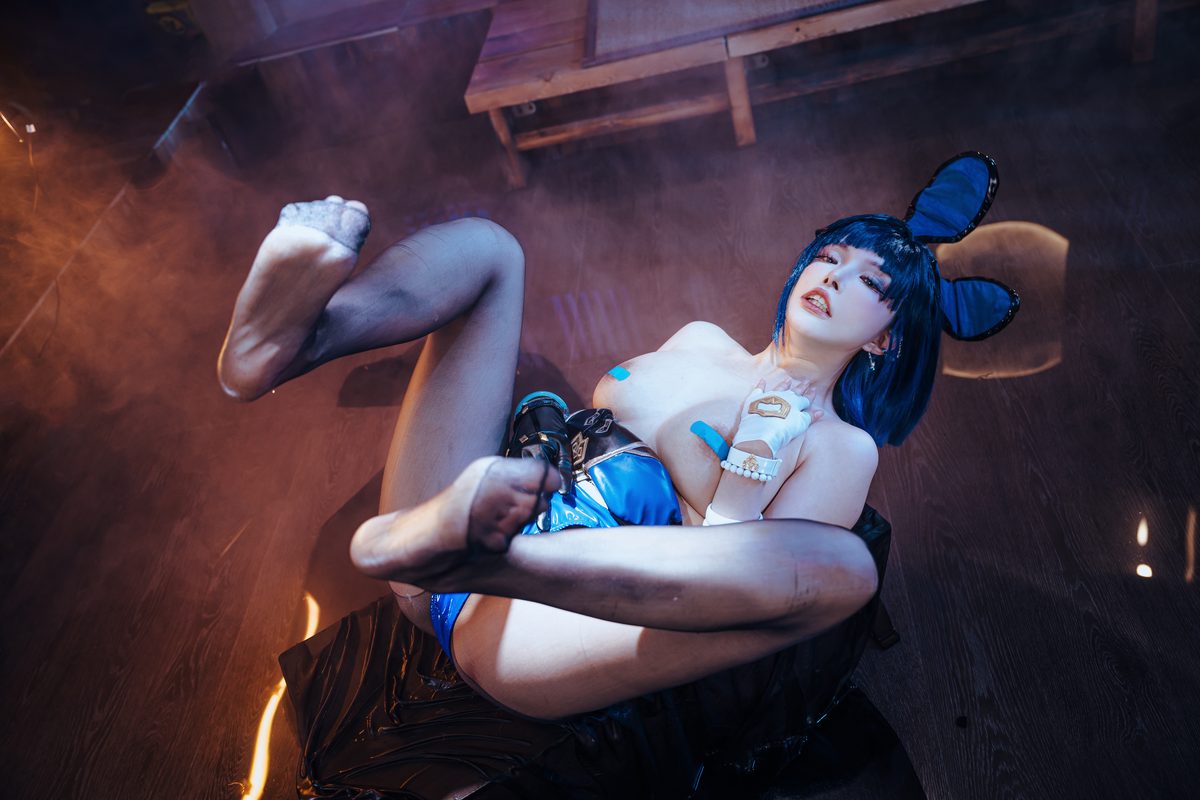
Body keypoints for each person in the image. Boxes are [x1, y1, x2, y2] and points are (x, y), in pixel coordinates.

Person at [218, 154, 1016, 797]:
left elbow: (738, 601)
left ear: (885, 339)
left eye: (868, 281)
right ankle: (288, 344)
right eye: (830, 255)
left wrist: (751, 462)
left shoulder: (840, 448)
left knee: (842, 570)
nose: (833, 275)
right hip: (454, 561)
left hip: (534, 629)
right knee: (491, 250)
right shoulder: (701, 339)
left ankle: (479, 553)